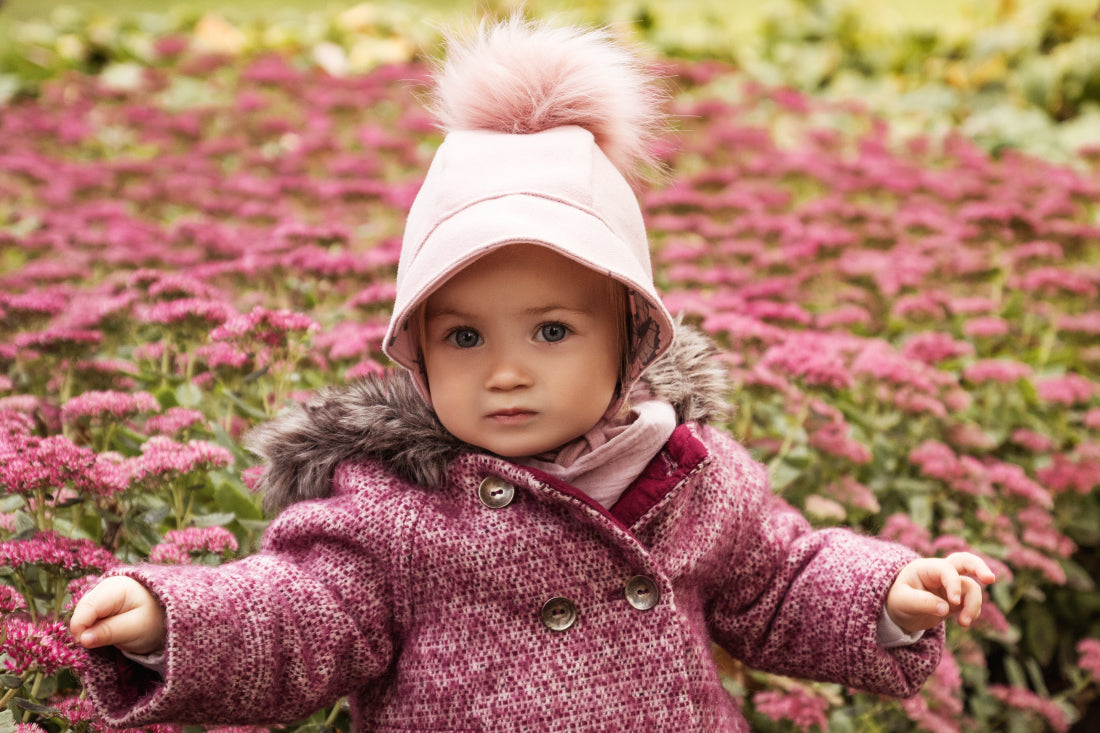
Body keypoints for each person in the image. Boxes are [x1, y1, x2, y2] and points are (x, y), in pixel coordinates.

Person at [71, 17, 995, 731]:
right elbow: (300, 614)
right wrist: (171, 619)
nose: (506, 370)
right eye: (464, 338)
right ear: (418, 350)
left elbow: (784, 580)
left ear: (630, 341)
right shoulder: (393, 510)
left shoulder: (691, 476)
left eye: (551, 329)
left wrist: (889, 595)